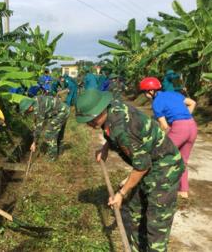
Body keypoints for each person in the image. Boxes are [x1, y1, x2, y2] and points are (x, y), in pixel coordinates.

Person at [75, 89, 184, 252]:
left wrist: (121, 193)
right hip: (148, 162)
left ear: (102, 108)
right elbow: (111, 132)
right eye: (87, 120)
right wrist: (105, 147)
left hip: (164, 167)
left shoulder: (122, 128)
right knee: (133, 212)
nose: (89, 123)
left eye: (92, 118)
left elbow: (142, 166)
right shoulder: (112, 110)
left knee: (156, 224)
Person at [139, 77, 197, 199]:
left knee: (159, 155)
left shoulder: (156, 103)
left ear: (150, 91)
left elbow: (164, 126)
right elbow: (192, 103)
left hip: (179, 128)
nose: (144, 95)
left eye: (144, 92)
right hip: (192, 125)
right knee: (183, 160)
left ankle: (155, 187)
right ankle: (183, 191)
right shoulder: (173, 94)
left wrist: (156, 141)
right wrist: (184, 117)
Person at [19, 95, 70, 161]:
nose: (27, 113)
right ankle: (60, 151)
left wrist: (34, 143)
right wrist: (35, 122)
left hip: (62, 112)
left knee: (49, 134)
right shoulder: (34, 100)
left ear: (30, 107)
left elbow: (39, 128)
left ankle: (52, 157)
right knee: (58, 132)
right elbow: (37, 116)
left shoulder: (39, 109)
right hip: (63, 109)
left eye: (27, 111)